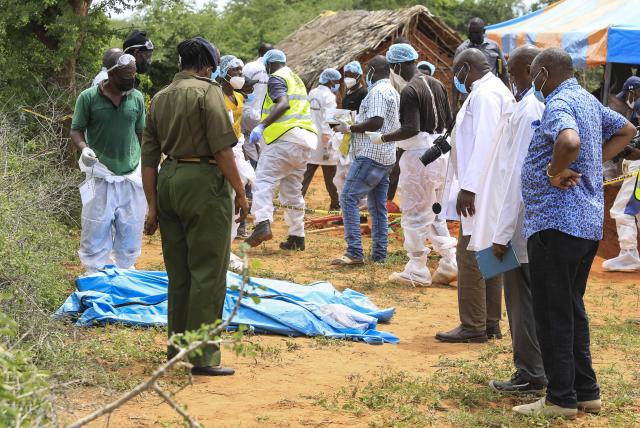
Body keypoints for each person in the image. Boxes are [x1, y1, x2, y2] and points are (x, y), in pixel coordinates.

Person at [512, 47, 635, 418]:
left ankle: (560, 399)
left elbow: (568, 142)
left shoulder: (560, 102)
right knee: (571, 309)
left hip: (556, 223)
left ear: (544, 73)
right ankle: (586, 392)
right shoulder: (587, 99)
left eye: (534, 73)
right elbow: (627, 129)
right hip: (584, 224)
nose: (533, 80)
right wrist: (591, 166)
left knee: (553, 313)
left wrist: (554, 170)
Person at [141, 37, 248, 376]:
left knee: (179, 273)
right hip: (204, 182)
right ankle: (202, 355)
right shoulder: (209, 92)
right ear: (207, 64)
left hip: (168, 178)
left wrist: (152, 207)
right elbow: (222, 149)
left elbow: (147, 159)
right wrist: (241, 192)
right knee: (208, 273)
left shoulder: (159, 98)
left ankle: (176, 349)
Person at [466, 46, 547, 393]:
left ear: (531, 70)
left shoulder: (530, 107)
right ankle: (530, 369)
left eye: (514, 73)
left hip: (517, 224)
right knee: (523, 299)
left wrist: (501, 232)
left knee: (522, 301)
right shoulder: (527, 104)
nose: (511, 80)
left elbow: (517, 176)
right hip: (516, 220)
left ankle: (531, 373)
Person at [435, 48, 515, 343]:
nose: (456, 78)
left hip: (481, 187)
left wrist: (468, 187)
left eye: (457, 71)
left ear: (466, 68)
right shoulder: (495, 91)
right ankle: (490, 321)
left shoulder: (484, 95)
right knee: (489, 251)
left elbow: (485, 142)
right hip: (491, 186)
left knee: (469, 255)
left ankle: (473, 325)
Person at [380, 43, 457, 286]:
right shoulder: (437, 84)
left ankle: (416, 268)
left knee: (414, 213)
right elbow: (447, 122)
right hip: (440, 153)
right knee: (435, 211)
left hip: (420, 158)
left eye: (392, 68)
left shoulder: (409, 90)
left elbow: (411, 128)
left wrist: (383, 137)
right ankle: (449, 262)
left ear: (397, 65)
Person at [70, 51, 146, 275]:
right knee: (95, 224)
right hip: (100, 173)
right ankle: (93, 271)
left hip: (131, 174)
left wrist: (147, 161)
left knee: (131, 225)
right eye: (125, 75)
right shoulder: (88, 97)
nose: (130, 80)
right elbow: (76, 130)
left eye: (132, 75)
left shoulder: (137, 98)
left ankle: (126, 269)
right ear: (110, 74)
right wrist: (84, 148)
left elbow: (141, 133)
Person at [244, 49, 317, 251]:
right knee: (292, 190)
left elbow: (283, 104)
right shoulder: (296, 78)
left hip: (283, 139)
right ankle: (297, 236)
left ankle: (262, 223)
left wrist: (262, 125)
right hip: (303, 142)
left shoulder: (276, 78)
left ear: (268, 65)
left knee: (264, 181)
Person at [330, 55, 400, 265]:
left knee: (348, 198)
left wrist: (349, 128)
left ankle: (354, 252)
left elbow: (376, 122)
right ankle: (379, 253)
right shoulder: (392, 91)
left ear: (372, 71)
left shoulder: (377, 91)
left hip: (371, 154)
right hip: (386, 155)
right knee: (378, 206)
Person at [218, 55, 256, 251]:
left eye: (241, 70)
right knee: (226, 195)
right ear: (224, 72)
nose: (240, 74)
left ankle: (229, 242)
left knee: (237, 196)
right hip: (222, 151)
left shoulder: (239, 97)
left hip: (237, 149)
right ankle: (221, 243)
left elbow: (238, 127)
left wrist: (244, 154)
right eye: (235, 70)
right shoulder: (217, 96)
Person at [602, 77, 640, 272]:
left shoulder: (637, 105)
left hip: (638, 168)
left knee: (622, 210)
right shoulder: (633, 109)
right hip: (635, 166)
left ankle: (629, 254)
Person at [301, 68, 341, 211]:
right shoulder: (329, 96)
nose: (338, 84)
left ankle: (296, 202)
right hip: (325, 141)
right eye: (337, 81)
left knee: (306, 173)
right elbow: (329, 118)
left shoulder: (312, 93)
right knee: (332, 176)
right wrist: (328, 135)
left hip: (311, 138)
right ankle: (336, 205)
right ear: (331, 81)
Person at [453, 18, 508, 108]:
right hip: (468, 99)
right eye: (470, 32)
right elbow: (455, 77)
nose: (473, 35)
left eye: (476, 32)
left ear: (483, 31)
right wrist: (454, 105)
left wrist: (508, 94)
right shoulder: (462, 50)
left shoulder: (494, 47)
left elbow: (503, 71)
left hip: (491, 96)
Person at [334, 61, 368, 195]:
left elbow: (364, 117)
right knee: (342, 174)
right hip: (346, 138)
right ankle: (346, 206)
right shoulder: (347, 94)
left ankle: (360, 211)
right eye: (346, 75)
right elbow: (345, 113)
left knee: (356, 175)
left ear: (359, 76)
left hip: (358, 139)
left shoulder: (363, 93)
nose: (348, 78)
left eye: (351, 75)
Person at [241, 43, 274, 164]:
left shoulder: (250, 66)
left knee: (247, 143)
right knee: (261, 148)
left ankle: (252, 169)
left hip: (246, 111)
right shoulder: (272, 70)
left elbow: (240, 85)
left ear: (259, 53)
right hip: (262, 116)